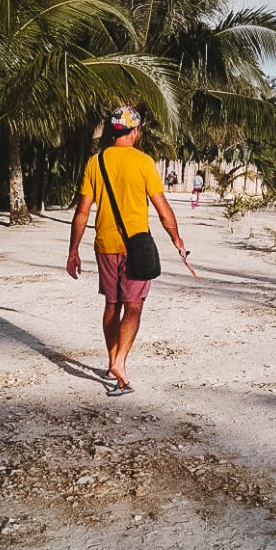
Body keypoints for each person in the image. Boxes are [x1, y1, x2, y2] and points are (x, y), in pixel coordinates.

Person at [66, 106, 188, 395]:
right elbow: (162, 208)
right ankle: (120, 361)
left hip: (105, 244)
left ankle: (112, 362)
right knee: (134, 306)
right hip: (137, 245)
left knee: (112, 304)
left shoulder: (96, 162)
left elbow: (82, 211)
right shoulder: (144, 162)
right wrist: (177, 239)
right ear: (134, 131)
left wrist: (73, 250)